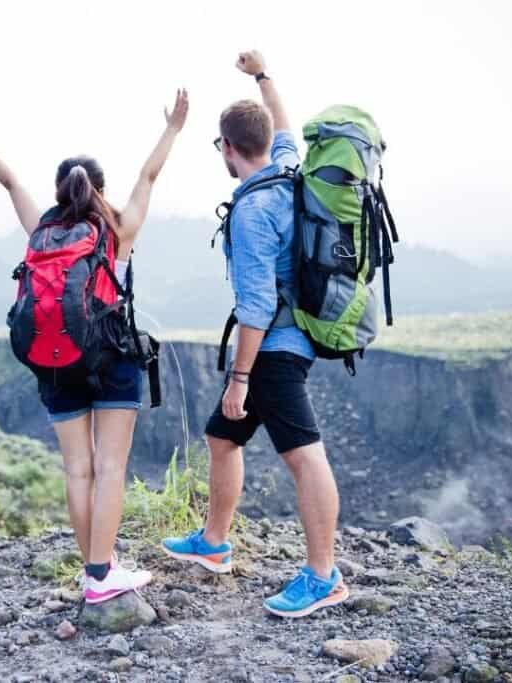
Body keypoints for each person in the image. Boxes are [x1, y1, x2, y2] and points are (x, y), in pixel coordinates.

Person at [0, 89, 189, 604]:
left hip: (54, 362)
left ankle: (95, 569)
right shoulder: (117, 228)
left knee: (78, 469)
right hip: (112, 357)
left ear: (59, 192)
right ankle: (102, 576)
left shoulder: (43, 229)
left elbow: (11, 181)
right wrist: (172, 129)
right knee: (109, 468)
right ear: (99, 188)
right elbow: (148, 178)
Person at [161, 52, 348, 618]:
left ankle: (324, 576)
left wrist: (240, 378)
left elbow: (257, 305)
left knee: (304, 458)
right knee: (224, 439)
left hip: (273, 350)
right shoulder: (290, 166)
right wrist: (263, 76)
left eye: (220, 146)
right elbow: (283, 120)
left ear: (226, 148)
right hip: (292, 337)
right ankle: (214, 543)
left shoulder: (250, 212)